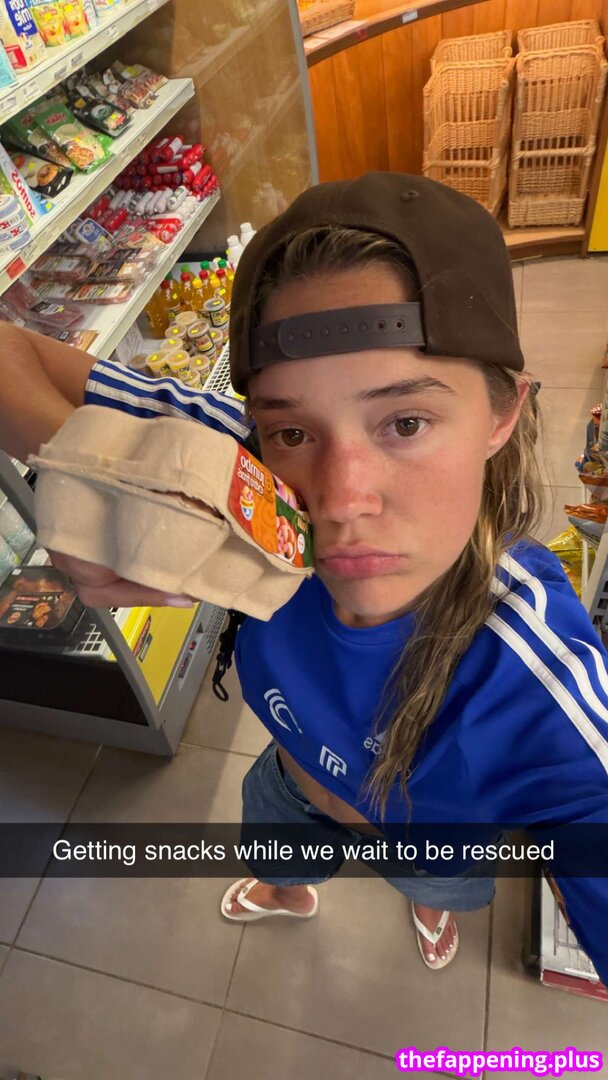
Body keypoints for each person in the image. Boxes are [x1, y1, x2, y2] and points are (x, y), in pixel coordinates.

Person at [2, 172, 608, 977]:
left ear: (503, 413)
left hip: (426, 841)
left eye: (405, 421)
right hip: (290, 779)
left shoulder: (537, 674)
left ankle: (429, 902)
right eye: (293, 430)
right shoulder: (243, 470)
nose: (341, 500)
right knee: (279, 846)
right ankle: (288, 888)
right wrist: (107, 484)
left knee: (435, 879)